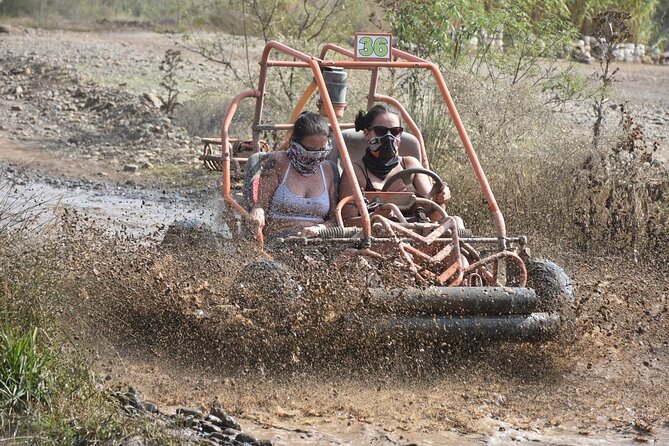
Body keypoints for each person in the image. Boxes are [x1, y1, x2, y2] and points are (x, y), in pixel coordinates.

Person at [339, 104, 450, 220]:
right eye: (380, 131)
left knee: (456, 221)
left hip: (415, 233)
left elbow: (434, 216)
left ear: (400, 134)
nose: (389, 137)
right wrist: (373, 217)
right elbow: (347, 221)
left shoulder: (410, 165)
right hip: (374, 235)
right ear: (367, 134)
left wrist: (440, 199)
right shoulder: (355, 172)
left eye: (395, 131)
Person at [249, 112, 337, 238]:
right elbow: (260, 205)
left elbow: (336, 219)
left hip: (318, 240)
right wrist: (257, 210)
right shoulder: (278, 162)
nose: (317, 156)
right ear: (295, 143)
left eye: (322, 150)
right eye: (311, 150)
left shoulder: (328, 170)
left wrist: (319, 228)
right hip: (280, 238)